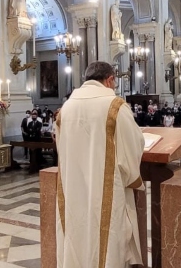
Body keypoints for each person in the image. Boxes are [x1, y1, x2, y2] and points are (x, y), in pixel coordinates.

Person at [53, 62, 144, 268]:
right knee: (107, 236)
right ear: (110, 79)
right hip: (107, 188)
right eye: (115, 83)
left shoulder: (66, 107)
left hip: (72, 186)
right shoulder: (115, 105)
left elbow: (61, 147)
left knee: (76, 233)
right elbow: (133, 145)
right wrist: (132, 177)